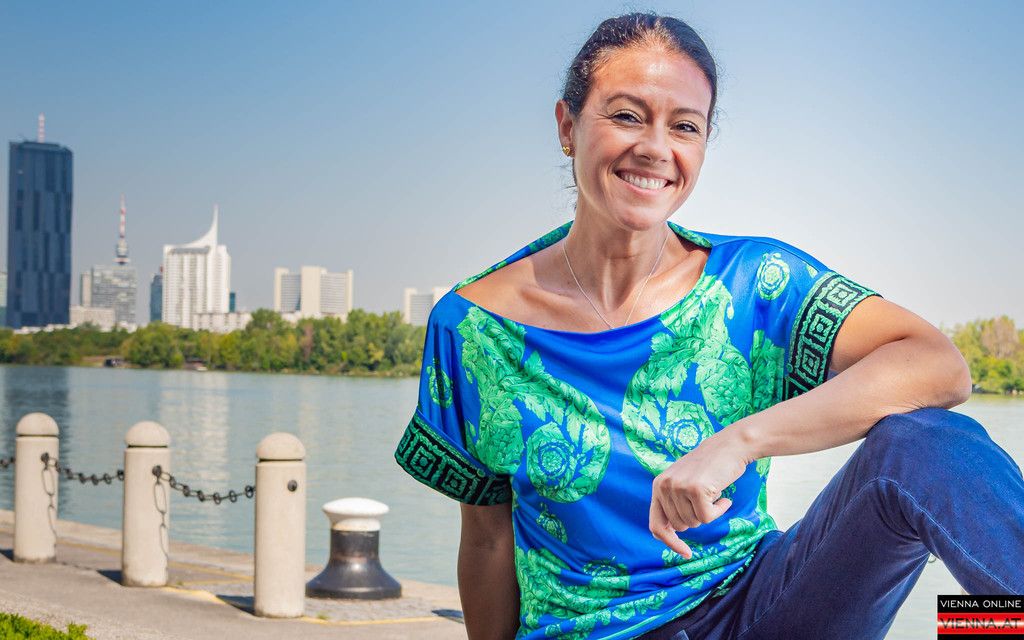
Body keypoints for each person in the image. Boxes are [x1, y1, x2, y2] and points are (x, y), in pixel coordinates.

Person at [393, 12, 1024, 640]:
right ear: (567, 126)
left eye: (685, 126)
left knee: (927, 443)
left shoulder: (757, 282)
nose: (655, 148)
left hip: (765, 603)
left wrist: (740, 441)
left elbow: (939, 367)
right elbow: (486, 541)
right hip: (598, 630)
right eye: (626, 116)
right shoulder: (473, 328)